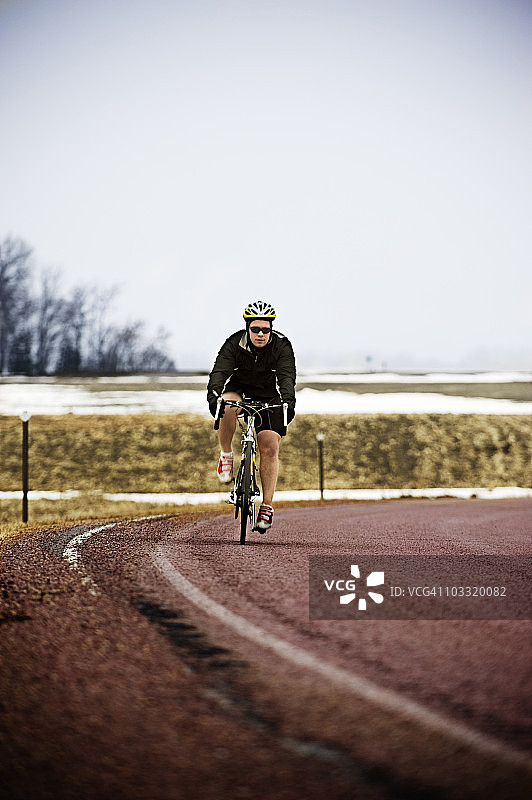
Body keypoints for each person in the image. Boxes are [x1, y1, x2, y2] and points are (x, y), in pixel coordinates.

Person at [207, 300, 296, 532]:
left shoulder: (282, 346)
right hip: (239, 389)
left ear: (271, 329)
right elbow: (219, 372)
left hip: (268, 394)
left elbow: (287, 377)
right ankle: (226, 454)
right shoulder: (234, 343)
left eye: (265, 330)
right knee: (227, 404)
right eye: (255, 329)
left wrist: (288, 401)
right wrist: (214, 395)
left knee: (270, 446)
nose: (260, 334)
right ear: (247, 328)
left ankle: (267, 506)